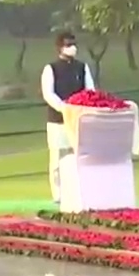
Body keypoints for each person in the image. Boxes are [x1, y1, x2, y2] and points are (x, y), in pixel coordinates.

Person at [39, 32, 93, 206]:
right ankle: (58, 195)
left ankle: (78, 191)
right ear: (60, 48)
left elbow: (89, 90)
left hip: (78, 119)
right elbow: (49, 93)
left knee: (77, 155)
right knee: (57, 157)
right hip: (57, 120)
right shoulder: (51, 69)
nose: (72, 48)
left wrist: (83, 108)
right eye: (68, 45)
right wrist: (64, 108)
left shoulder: (82, 68)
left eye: (73, 44)